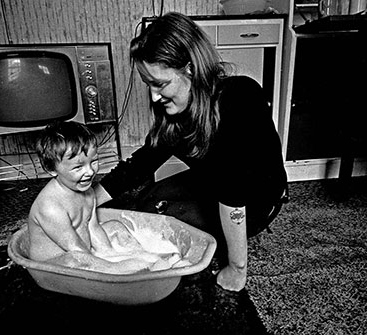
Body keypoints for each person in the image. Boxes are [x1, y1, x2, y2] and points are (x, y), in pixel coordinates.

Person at [93, 12, 288, 291]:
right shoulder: (176, 111)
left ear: (190, 69)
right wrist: (87, 200)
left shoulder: (239, 96)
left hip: (254, 199)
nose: (154, 97)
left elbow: (233, 192)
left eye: (160, 84)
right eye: (149, 84)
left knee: (164, 228)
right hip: (214, 183)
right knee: (148, 202)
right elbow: (142, 163)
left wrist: (237, 268)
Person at [27, 121, 168, 274]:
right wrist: (111, 266)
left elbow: (92, 227)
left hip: (83, 250)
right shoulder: (50, 207)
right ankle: (125, 271)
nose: (89, 172)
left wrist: (110, 254)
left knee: (115, 226)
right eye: (78, 167)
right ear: (51, 169)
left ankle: (147, 257)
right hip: (52, 266)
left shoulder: (87, 192)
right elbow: (75, 249)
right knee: (74, 259)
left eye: (93, 161)